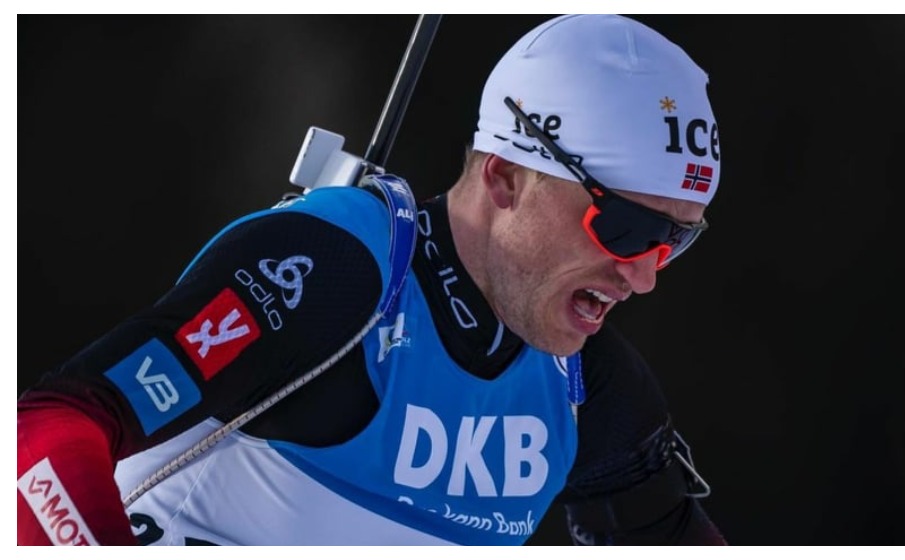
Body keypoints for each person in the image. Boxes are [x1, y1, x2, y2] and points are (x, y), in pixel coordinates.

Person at [17, 14, 727, 545]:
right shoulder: (331, 276)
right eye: (625, 229)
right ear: (506, 178)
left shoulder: (585, 387)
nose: (643, 276)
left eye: (674, 241)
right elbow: (44, 435)